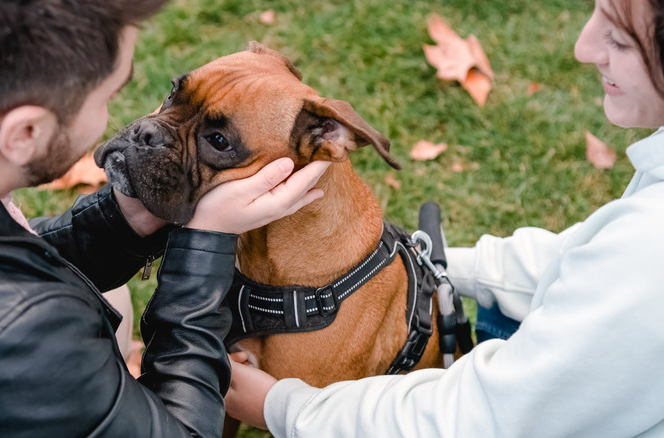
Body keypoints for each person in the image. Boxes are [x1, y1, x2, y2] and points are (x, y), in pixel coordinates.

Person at [0, 1, 330, 437]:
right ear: (25, 133)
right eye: (107, 97)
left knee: (107, 295)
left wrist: (121, 220)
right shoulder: (17, 335)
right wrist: (205, 240)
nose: (144, 125)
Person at [224, 0, 664, 436]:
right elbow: (583, 260)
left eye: (619, 39)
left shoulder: (647, 253)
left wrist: (280, 407)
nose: (583, 48)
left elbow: (478, 417)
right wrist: (424, 265)